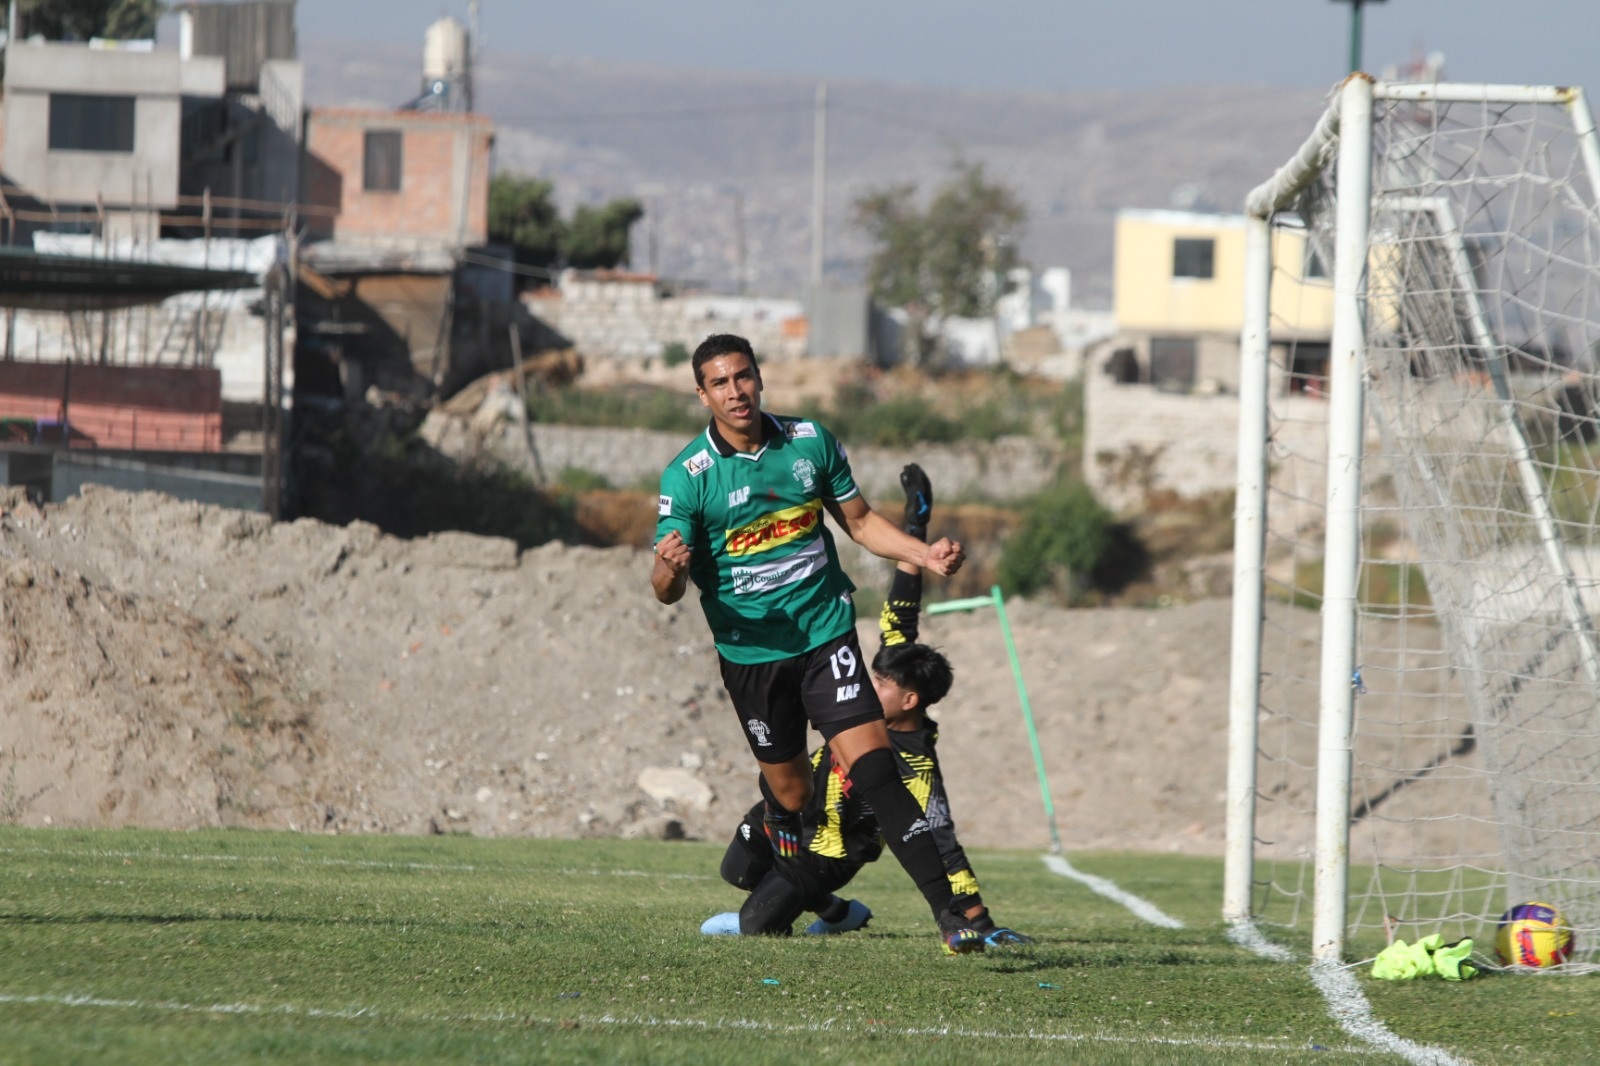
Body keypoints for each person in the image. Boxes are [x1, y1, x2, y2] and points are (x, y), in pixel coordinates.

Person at [652, 334, 986, 954]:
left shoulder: (810, 442)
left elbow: (858, 523)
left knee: (878, 771)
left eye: (743, 377)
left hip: (823, 632)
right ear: (702, 394)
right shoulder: (689, 476)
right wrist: (670, 567)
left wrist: (923, 553)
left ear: (759, 378)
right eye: (720, 383)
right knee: (791, 793)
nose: (736, 391)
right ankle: (805, 861)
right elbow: (665, 590)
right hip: (752, 657)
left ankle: (951, 918)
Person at [699, 464, 1031, 946]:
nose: (868, 685)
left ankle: (830, 903)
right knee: (736, 869)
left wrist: (978, 920)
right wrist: (916, 527)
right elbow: (902, 612)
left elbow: (943, 841)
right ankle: (832, 911)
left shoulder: (915, 760)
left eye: (882, 683)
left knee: (756, 927)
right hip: (798, 807)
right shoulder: (883, 684)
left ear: (911, 700)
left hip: (827, 852)